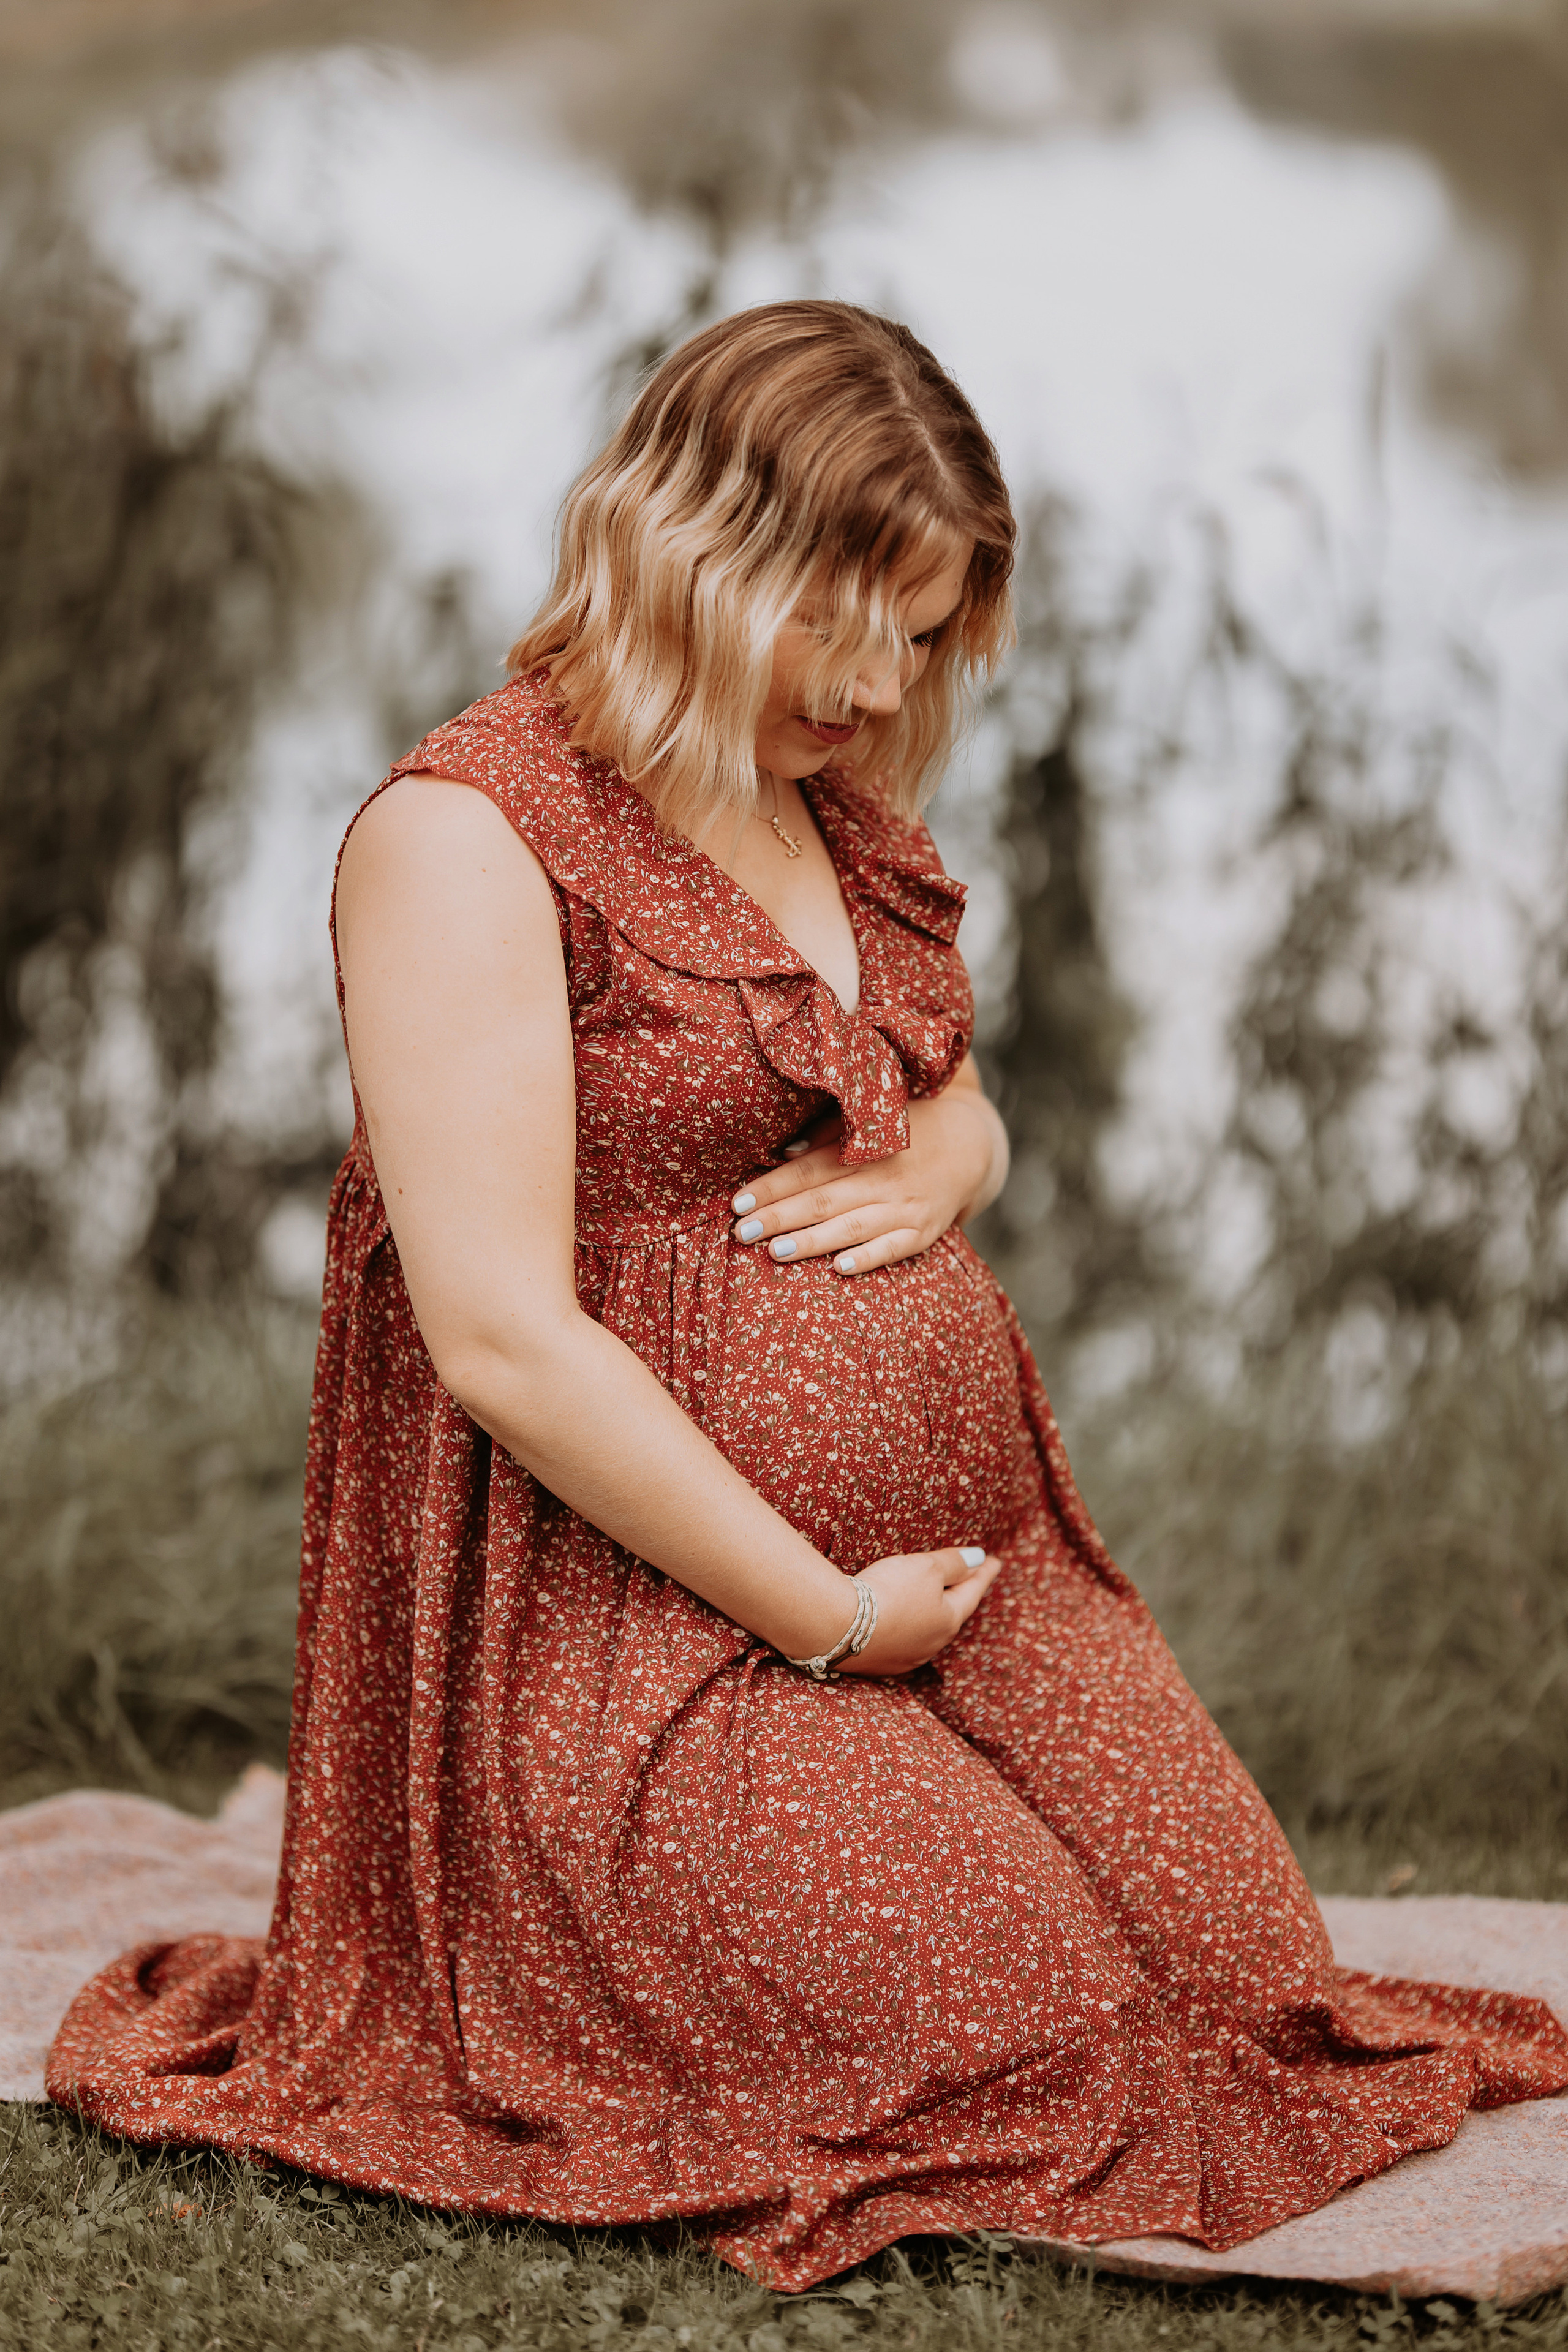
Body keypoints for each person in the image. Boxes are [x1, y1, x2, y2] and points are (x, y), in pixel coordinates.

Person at [50, 301, 1568, 2291]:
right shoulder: (466, 839)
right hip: (638, 1633)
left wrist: (960, 1155)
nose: (877, 681)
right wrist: (827, 1617)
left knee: (1254, 1986)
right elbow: (498, 1337)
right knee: (1042, 2038)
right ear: (684, 547)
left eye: (921, 635)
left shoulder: (830, 809)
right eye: (836, 620)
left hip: (980, 1583)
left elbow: (934, 1087)